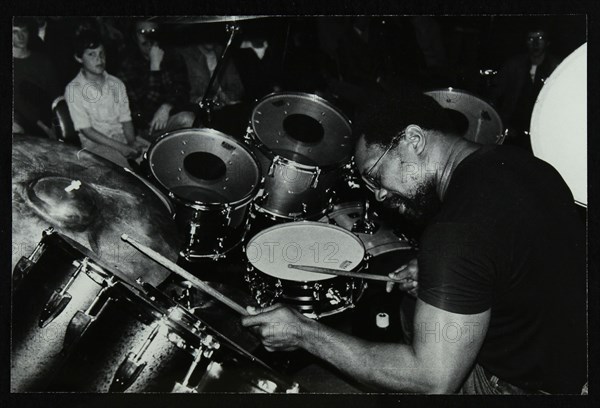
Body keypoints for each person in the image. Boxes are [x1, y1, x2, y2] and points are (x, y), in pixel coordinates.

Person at [241, 90, 586, 394]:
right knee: (413, 310)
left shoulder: (455, 232)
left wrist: (304, 332)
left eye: (375, 175)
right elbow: (516, 251)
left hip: (528, 390)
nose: (377, 195)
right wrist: (445, 272)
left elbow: (433, 380)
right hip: (575, 359)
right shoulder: (525, 164)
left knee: (411, 337)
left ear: (414, 140)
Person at [65, 30, 145, 169]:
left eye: (102, 53)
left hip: (122, 138)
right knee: (123, 171)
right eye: (91, 54)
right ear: (79, 58)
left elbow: (126, 119)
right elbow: (86, 130)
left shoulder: (116, 83)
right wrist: (122, 148)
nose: (99, 59)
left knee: (157, 157)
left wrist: (131, 142)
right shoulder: (74, 89)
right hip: (96, 145)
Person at [118, 19, 194, 142]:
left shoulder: (173, 56)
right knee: (187, 119)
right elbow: (143, 112)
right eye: (142, 31)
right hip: (147, 129)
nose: (148, 36)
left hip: (172, 117)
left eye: (153, 31)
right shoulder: (128, 65)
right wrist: (155, 68)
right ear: (134, 36)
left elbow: (183, 91)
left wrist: (167, 106)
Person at [492, 28, 560, 153]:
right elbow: (495, 95)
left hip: (543, 133)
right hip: (513, 133)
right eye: (530, 38)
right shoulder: (513, 65)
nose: (535, 43)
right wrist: (503, 123)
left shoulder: (557, 68)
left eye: (540, 38)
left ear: (548, 42)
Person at [13, 17, 61, 138]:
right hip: (23, 124)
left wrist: (56, 125)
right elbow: (19, 103)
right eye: (15, 32)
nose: (21, 36)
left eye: (23, 31)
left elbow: (56, 96)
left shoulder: (43, 60)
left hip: (49, 121)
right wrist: (45, 128)